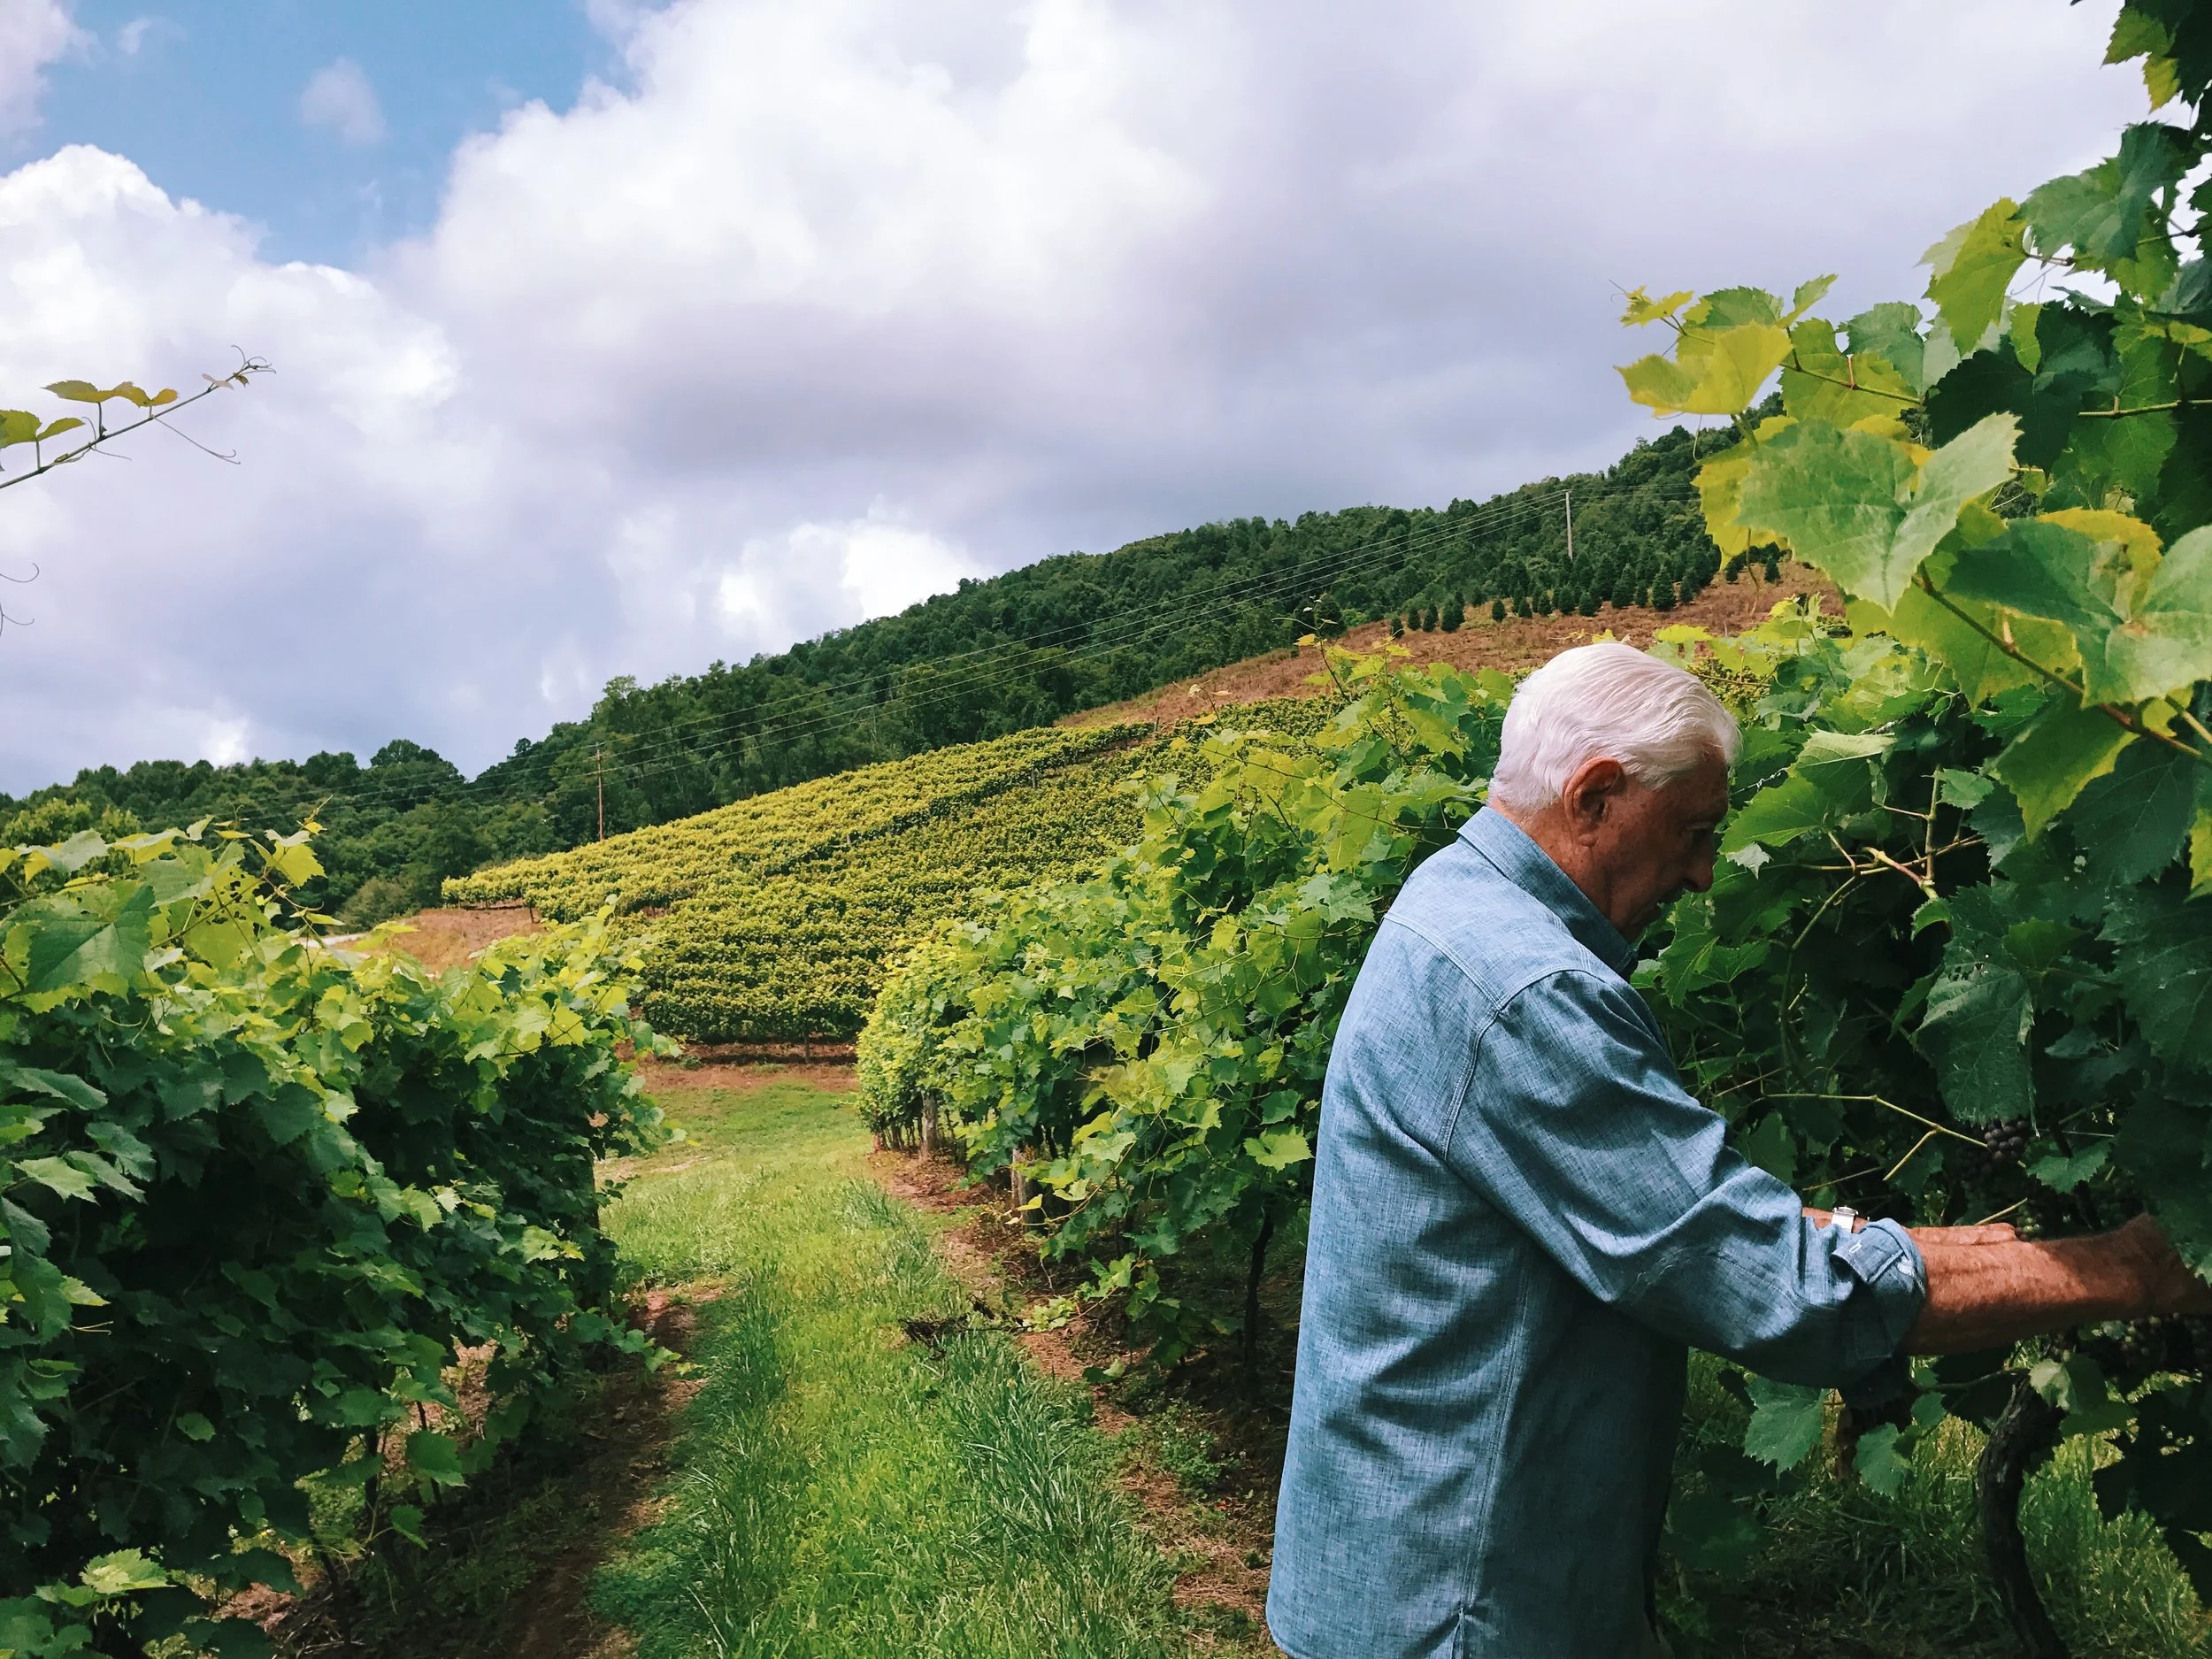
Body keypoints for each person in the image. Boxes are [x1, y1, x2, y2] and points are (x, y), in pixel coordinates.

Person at [1265, 641, 2212, 1659]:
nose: (1704, 871)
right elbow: (1763, 1282)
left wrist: (1969, 1252)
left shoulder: (1457, 906)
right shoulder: (1529, 995)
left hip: (1418, 1560)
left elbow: (1672, 1220)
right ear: (1594, 795)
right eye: (1693, 832)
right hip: (1463, 1604)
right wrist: (2141, 1267)